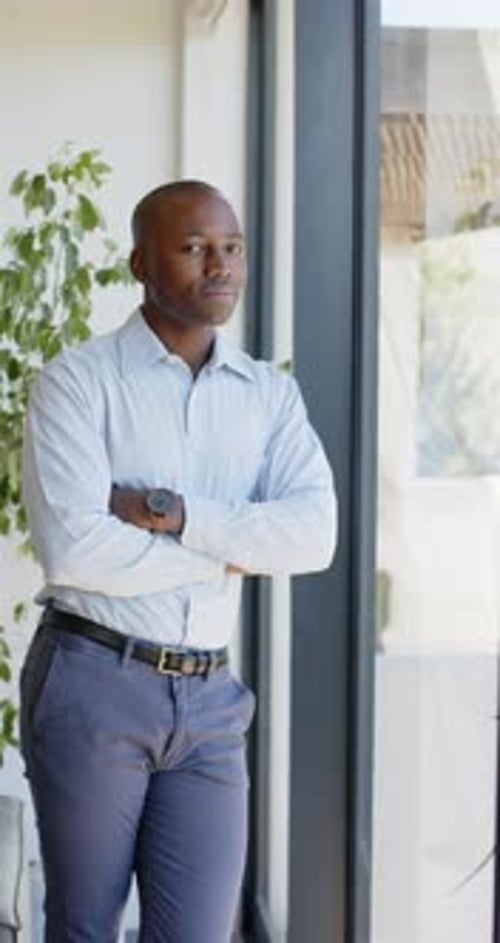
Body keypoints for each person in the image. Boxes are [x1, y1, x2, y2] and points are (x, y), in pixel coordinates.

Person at [20, 179, 337, 943]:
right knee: (85, 926)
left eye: (230, 248)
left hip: (210, 701)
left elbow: (315, 535)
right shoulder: (77, 381)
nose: (219, 265)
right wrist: (231, 553)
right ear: (140, 263)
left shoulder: (268, 396)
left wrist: (178, 516)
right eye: (193, 248)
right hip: (94, 681)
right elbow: (75, 546)